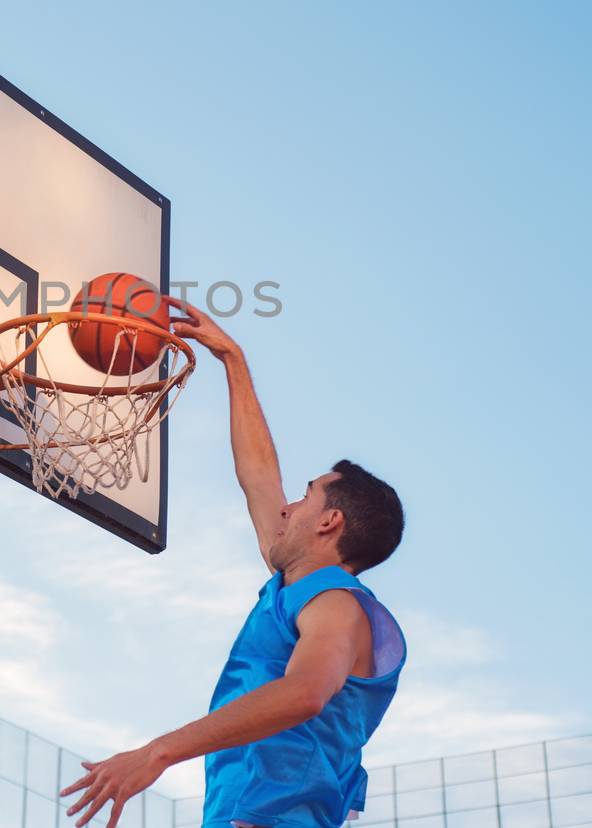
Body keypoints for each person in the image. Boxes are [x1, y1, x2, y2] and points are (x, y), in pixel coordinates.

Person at [61, 303, 407, 828]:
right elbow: (258, 476)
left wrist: (157, 752)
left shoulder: (337, 606)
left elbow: (306, 692)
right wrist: (232, 359)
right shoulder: (296, 586)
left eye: (305, 496)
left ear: (329, 522)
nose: (286, 505)